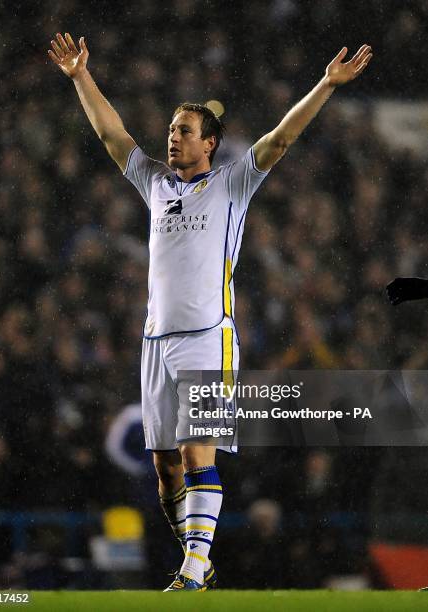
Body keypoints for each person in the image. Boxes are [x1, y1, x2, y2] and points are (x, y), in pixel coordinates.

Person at [48, 32, 372, 591]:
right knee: (165, 470)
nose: (172, 138)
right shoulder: (154, 182)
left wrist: (325, 84)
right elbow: (109, 133)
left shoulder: (233, 184)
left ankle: (193, 570)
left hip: (208, 337)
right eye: (171, 130)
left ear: (211, 144)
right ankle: (200, 557)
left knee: (200, 455)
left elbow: (281, 139)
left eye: (184, 132)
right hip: (155, 342)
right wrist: (80, 77)